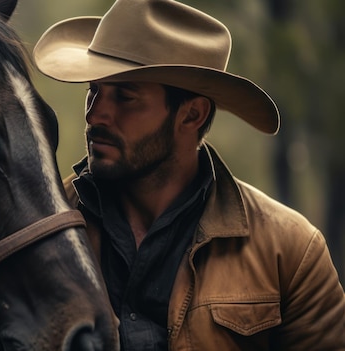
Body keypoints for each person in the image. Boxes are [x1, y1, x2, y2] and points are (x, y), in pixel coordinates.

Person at [33, 0, 345, 350]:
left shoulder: (288, 252)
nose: (95, 115)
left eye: (125, 97)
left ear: (192, 115)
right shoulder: (45, 227)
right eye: (94, 91)